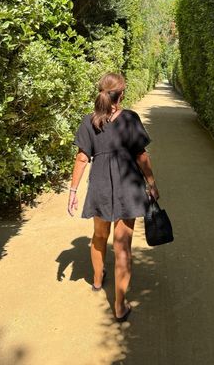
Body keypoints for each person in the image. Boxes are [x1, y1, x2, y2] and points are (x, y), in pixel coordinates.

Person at [68, 72, 159, 322]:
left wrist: (73, 191)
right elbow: (141, 155)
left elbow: (82, 158)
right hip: (127, 186)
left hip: (98, 185)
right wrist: (151, 183)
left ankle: (98, 279)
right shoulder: (130, 119)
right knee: (122, 247)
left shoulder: (89, 121)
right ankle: (120, 305)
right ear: (121, 94)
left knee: (98, 235)